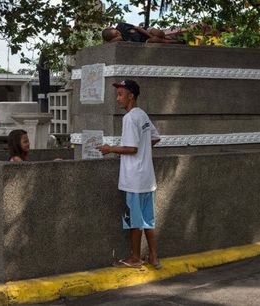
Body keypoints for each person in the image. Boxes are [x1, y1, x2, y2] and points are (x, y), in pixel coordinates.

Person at [98, 79, 162, 269]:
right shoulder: (142, 115)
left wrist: (110, 149)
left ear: (131, 96)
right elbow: (155, 138)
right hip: (147, 178)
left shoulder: (129, 118)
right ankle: (154, 257)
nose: (118, 99)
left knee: (135, 221)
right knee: (148, 221)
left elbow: (132, 148)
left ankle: (135, 258)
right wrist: (144, 149)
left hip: (134, 178)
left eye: (120, 94)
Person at [102, 22, 182, 44]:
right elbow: (107, 43)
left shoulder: (121, 26)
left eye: (116, 32)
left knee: (158, 33)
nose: (118, 33)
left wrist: (150, 35)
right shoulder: (120, 39)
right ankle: (173, 41)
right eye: (116, 35)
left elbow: (137, 28)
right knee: (155, 40)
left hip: (146, 31)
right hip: (143, 41)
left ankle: (166, 36)